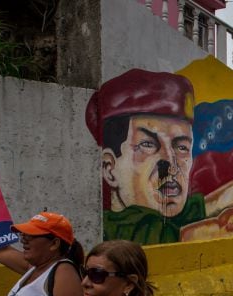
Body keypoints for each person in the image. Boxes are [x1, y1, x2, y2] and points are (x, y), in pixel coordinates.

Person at [86, 69, 205, 244]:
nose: (171, 165)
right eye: (148, 145)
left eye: (181, 147)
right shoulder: (129, 232)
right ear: (109, 168)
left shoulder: (174, 219)